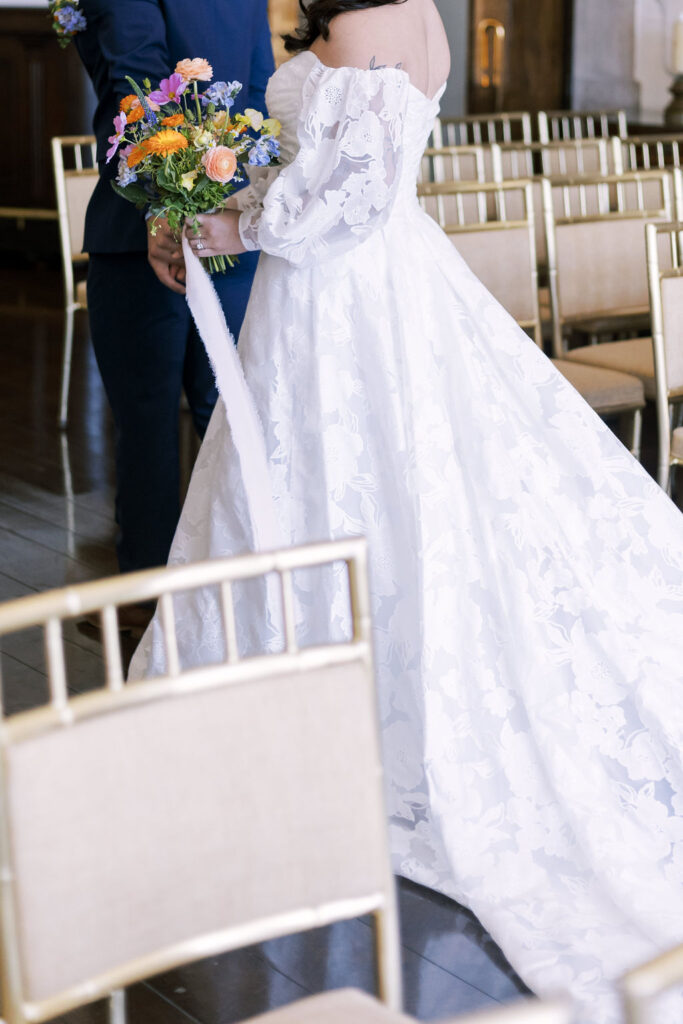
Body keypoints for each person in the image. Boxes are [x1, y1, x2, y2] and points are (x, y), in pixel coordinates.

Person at [131, 0, 683, 1019]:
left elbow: (349, 198)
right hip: (378, 290)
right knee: (375, 490)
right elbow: (326, 174)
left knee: (347, 487)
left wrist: (228, 219)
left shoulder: (363, 27)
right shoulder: (422, 18)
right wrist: (215, 197)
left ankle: (321, 714)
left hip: (339, 304)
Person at [74, 0, 274, 600]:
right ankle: (238, 600)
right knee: (229, 423)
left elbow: (139, 89)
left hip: (142, 237)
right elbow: (259, 94)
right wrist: (233, 198)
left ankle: (148, 603)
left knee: (147, 428)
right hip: (233, 228)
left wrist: (164, 210)